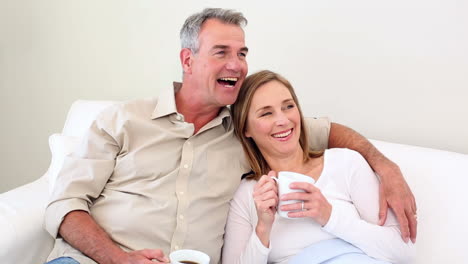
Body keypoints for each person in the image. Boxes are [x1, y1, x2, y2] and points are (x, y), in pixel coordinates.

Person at [44, 8, 416, 264]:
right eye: (221, 52)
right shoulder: (123, 119)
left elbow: (321, 131)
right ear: (188, 61)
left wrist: (386, 167)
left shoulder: (245, 132)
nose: (236, 64)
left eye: (241, 53)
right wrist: (119, 259)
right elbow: (64, 205)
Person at [222, 70, 415, 263]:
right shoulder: (248, 195)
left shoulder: (346, 163)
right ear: (245, 128)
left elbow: (402, 251)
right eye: (266, 113)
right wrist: (263, 228)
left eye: (288, 106)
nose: (282, 120)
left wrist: (329, 216)